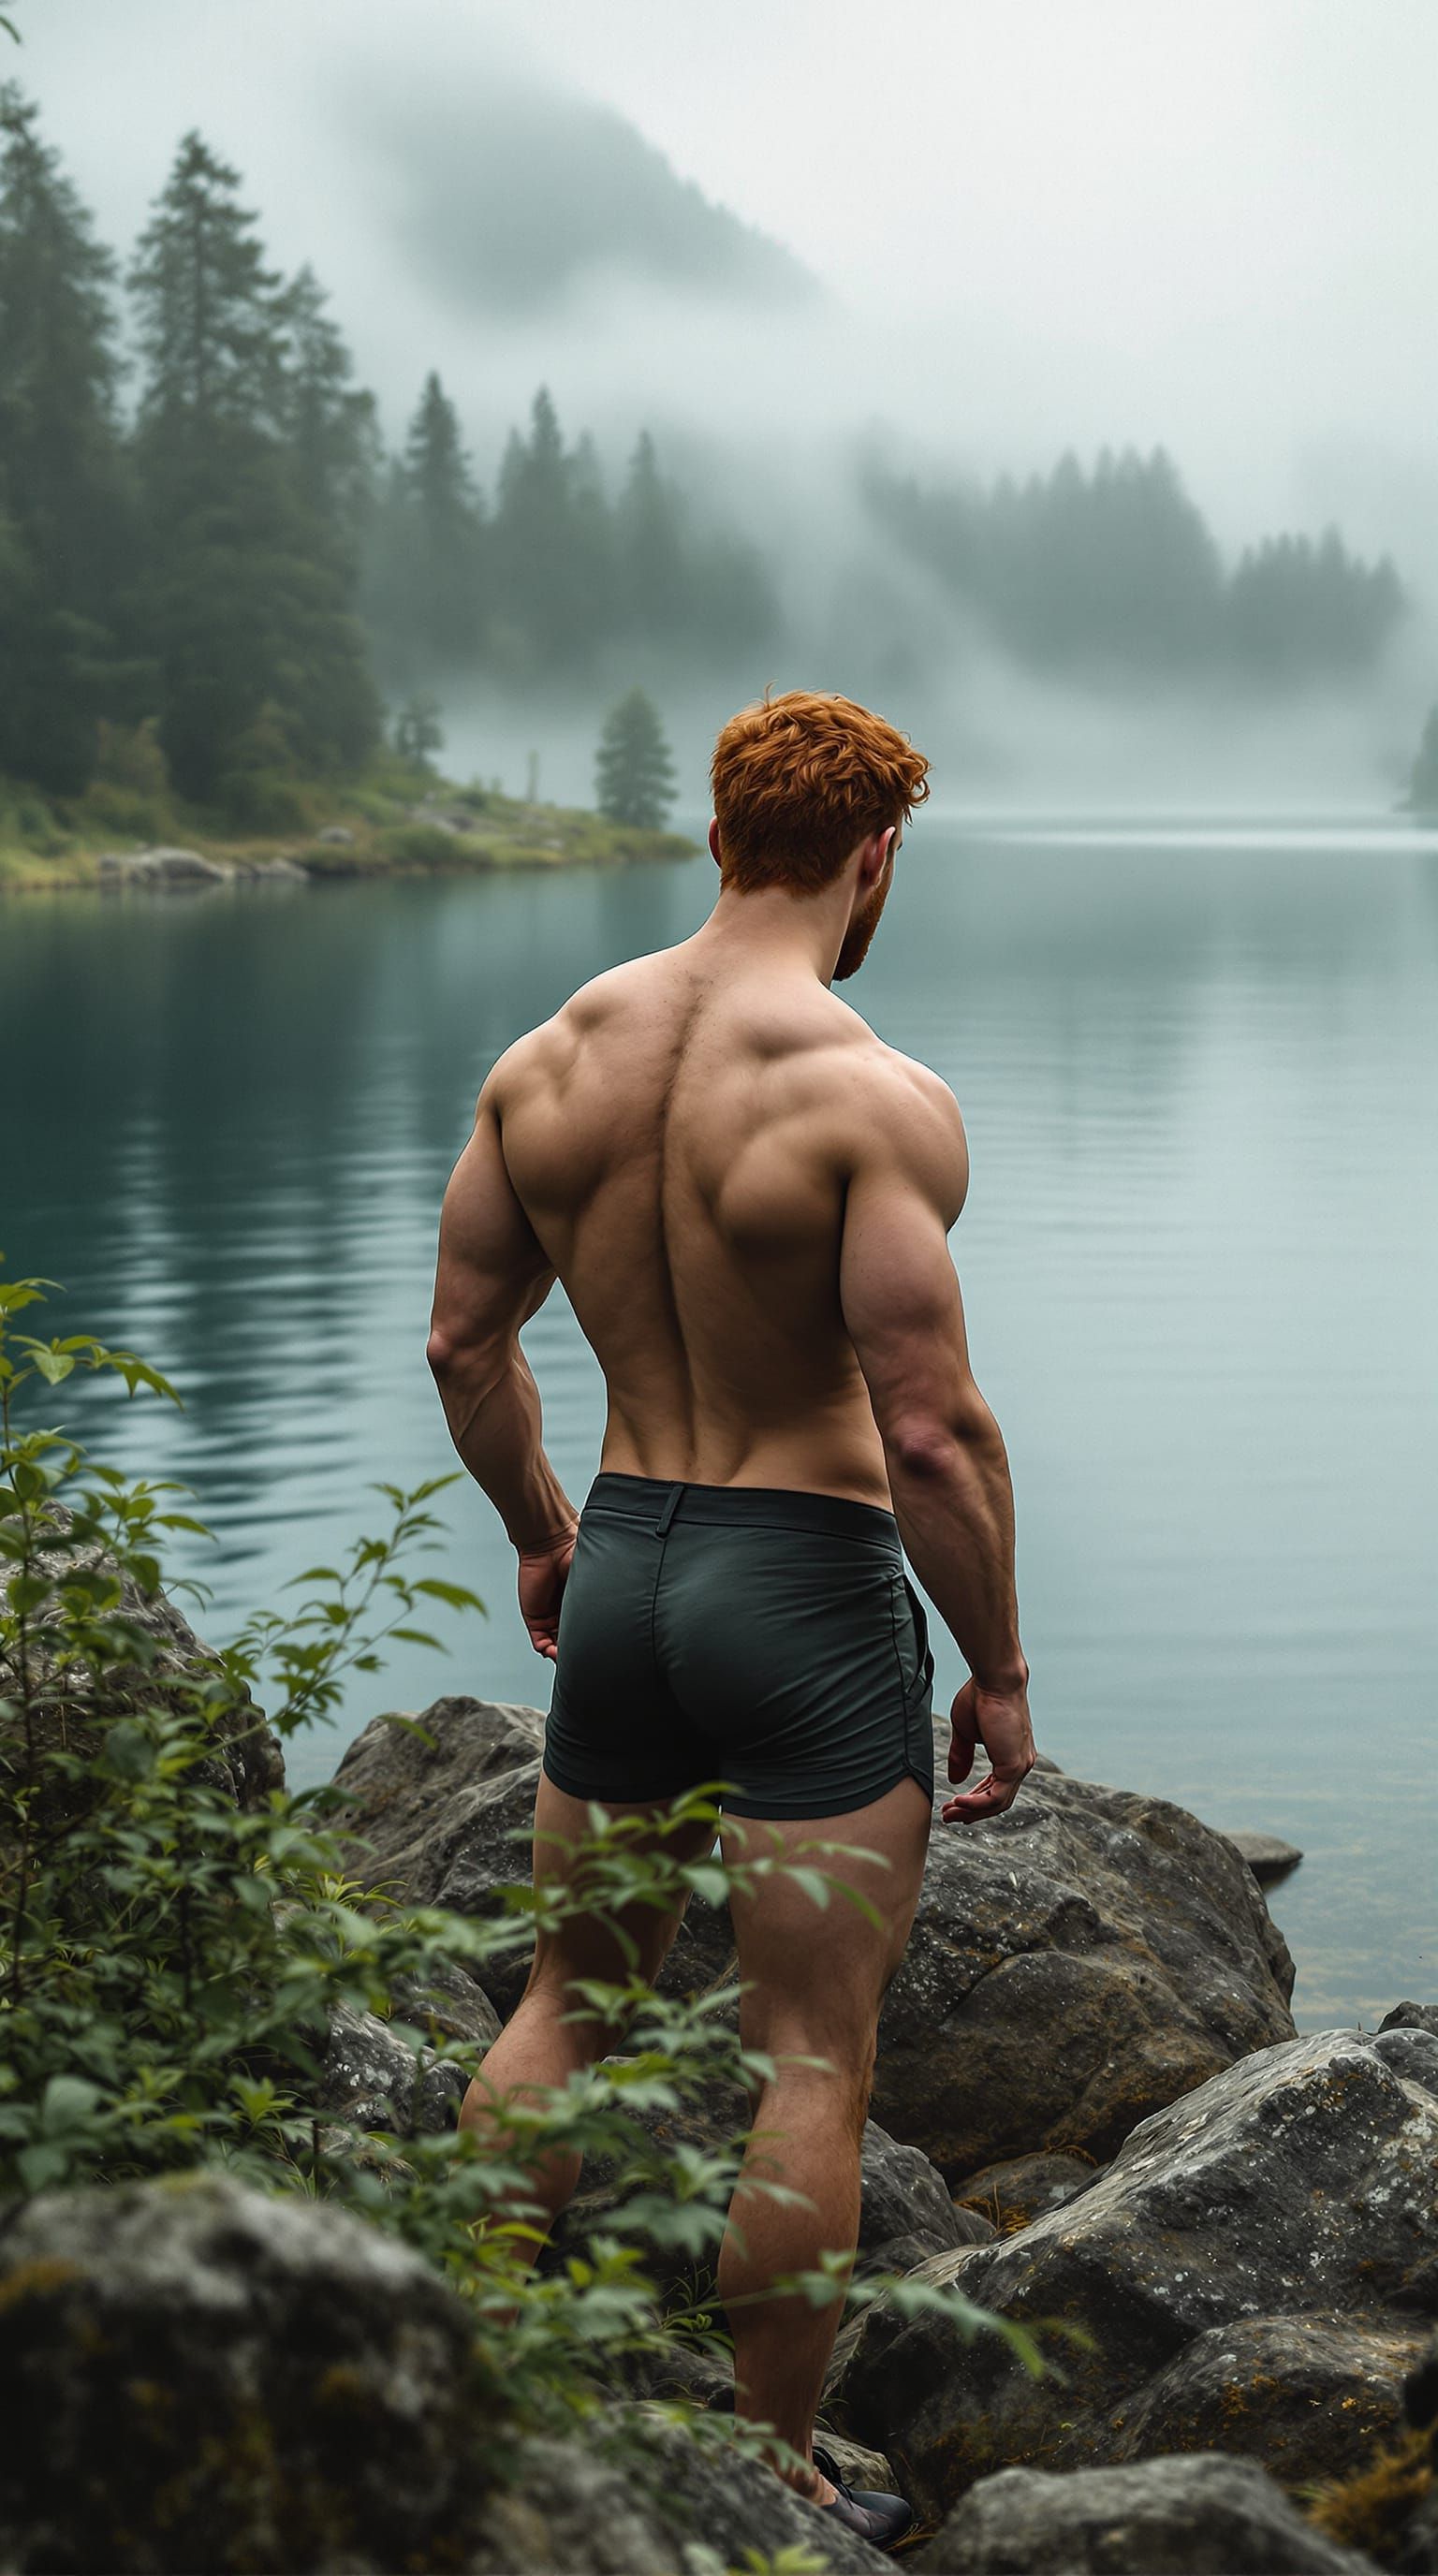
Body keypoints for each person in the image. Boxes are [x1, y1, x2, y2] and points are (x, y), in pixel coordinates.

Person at [427, 688, 1034, 2548]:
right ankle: (771, 2470)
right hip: (805, 1587)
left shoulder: (549, 1062)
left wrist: (543, 1534)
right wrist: (997, 1664)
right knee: (807, 2061)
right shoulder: (867, 1094)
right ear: (873, 861)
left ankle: (481, 2393)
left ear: (712, 840)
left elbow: (463, 1340)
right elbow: (925, 1425)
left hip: (626, 1558)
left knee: (566, 1997)